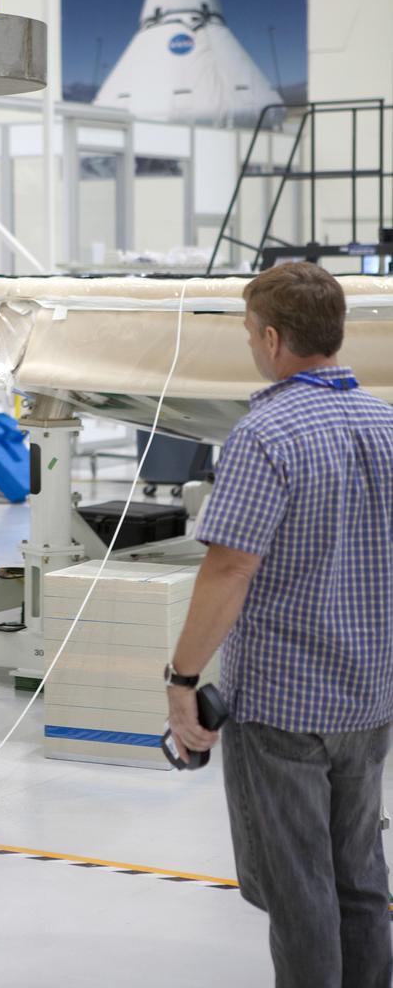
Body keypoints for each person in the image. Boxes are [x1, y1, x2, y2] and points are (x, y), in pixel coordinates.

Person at [166, 261, 393, 988]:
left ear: (269, 337)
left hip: (285, 705)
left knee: (295, 889)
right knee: (358, 874)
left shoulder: (264, 435)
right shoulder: (387, 424)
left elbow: (227, 571)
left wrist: (181, 680)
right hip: (370, 694)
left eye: (244, 333)